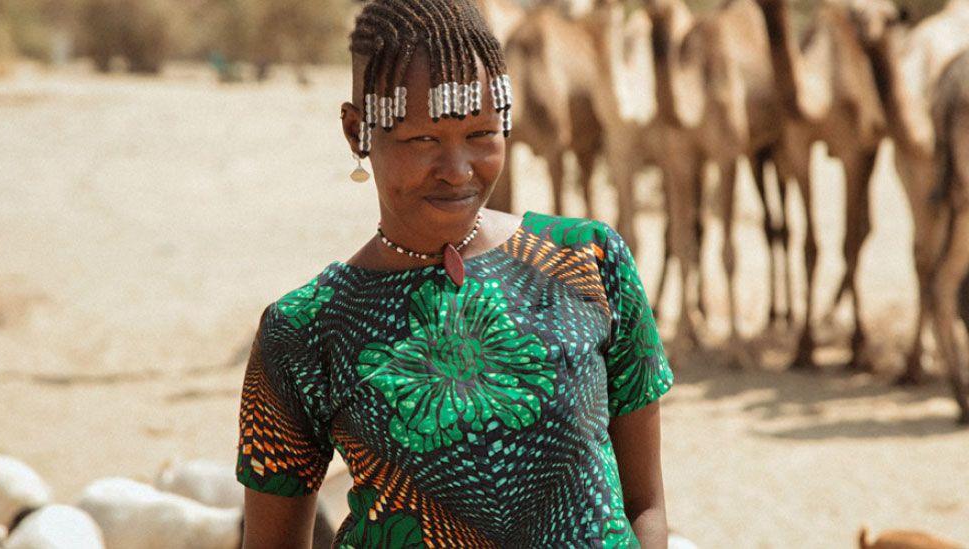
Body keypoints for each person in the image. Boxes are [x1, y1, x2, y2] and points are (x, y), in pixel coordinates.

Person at [235, 0, 674, 546]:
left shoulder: (588, 262)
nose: (459, 170)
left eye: (482, 134)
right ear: (357, 132)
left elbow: (646, 505)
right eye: (423, 140)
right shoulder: (302, 331)